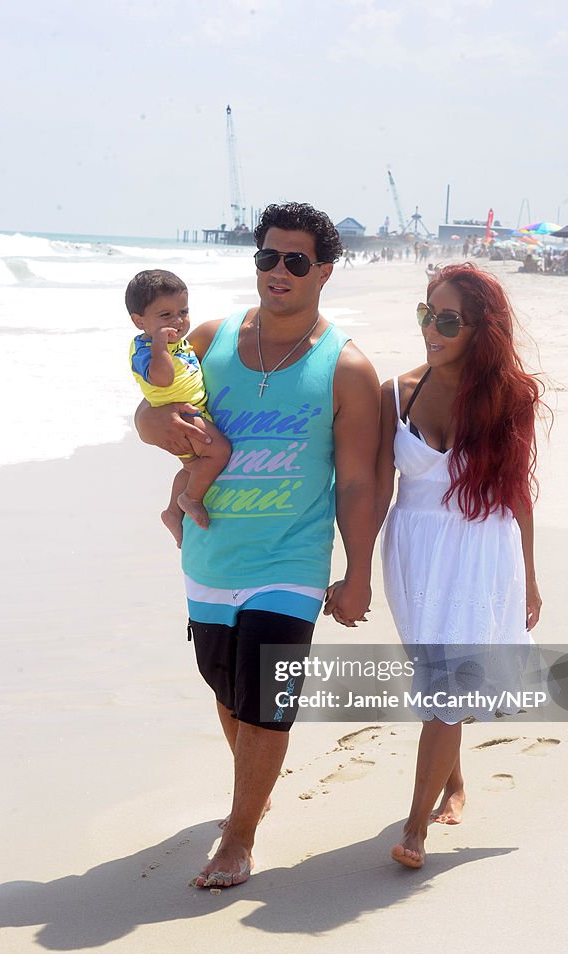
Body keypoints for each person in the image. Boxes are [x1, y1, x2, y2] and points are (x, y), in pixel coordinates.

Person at [135, 203, 380, 888]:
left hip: (291, 560)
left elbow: (358, 482)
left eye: (295, 261)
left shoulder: (346, 367)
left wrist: (356, 571)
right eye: (267, 258)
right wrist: (156, 429)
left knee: (269, 698)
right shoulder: (209, 340)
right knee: (227, 687)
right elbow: (149, 411)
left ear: (323, 271)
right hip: (212, 552)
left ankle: (238, 837)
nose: (278, 272)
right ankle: (256, 788)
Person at [376, 263, 543, 869]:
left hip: (480, 550)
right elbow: (370, 486)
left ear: (482, 329)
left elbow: (518, 490)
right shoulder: (397, 391)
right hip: (414, 553)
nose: (433, 328)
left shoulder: (510, 396)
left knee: (447, 686)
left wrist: (528, 572)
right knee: (438, 675)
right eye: (428, 313)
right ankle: (454, 781)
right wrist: (357, 569)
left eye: (450, 319)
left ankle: (414, 828)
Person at [127, 270, 232, 545]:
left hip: (193, 410)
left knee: (190, 469)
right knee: (219, 451)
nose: (178, 321)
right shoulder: (145, 350)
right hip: (181, 417)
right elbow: (163, 379)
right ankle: (190, 499)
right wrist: (160, 345)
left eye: (183, 312)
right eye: (165, 316)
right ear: (139, 321)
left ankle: (173, 512)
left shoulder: (179, 343)